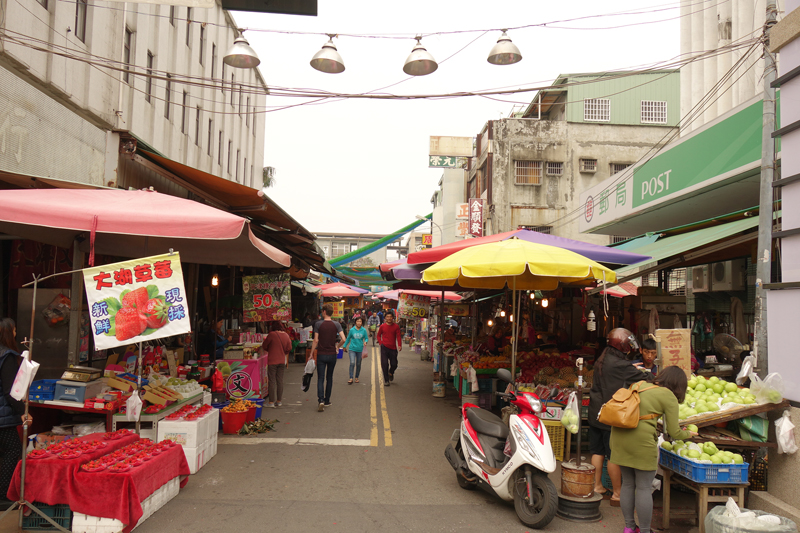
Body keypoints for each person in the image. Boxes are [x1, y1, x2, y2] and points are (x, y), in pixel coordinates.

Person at [611, 367, 693, 533]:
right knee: (643, 487)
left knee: (627, 483)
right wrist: (689, 434)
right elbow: (673, 432)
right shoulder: (668, 395)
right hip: (640, 442)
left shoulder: (640, 385)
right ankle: (646, 530)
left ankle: (629, 528)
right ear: (679, 386)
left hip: (619, 437)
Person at [588, 328, 655, 505]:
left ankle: (597, 486)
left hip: (596, 411)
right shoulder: (621, 365)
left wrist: (629, 367)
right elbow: (645, 378)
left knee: (597, 451)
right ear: (623, 346)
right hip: (612, 414)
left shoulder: (602, 358)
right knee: (613, 455)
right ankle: (617, 494)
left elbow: (617, 373)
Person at [0, 319, 31, 511]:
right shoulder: (7, 356)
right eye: (14, 331)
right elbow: (9, 391)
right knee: (12, 451)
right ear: (10, 332)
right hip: (3, 416)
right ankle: (4, 494)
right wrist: (21, 412)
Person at [310, 305, 345, 412]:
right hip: (332, 355)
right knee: (329, 377)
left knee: (320, 378)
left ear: (324, 312)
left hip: (321, 354)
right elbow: (343, 339)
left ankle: (320, 400)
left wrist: (311, 353)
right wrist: (337, 347)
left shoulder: (318, 324)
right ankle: (327, 400)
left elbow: (315, 340)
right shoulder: (337, 324)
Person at [261, 322, 292, 408]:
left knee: (272, 381)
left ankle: (271, 402)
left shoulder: (272, 334)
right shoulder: (286, 335)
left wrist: (270, 349)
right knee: (280, 381)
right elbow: (289, 348)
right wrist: (283, 353)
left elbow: (264, 346)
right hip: (282, 361)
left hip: (272, 361)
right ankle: (279, 401)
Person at [376, 311, 402, 386]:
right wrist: (381, 343)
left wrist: (399, 345)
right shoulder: (382, 326)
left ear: (393, 318)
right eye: (387, 317)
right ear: (385, 318)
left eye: (390, 317)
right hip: (384, 347)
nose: (389, 318)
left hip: (393, 348)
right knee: (384, 364)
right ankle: (386, 380)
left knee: (394, 364)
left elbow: (398, 336)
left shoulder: (396, 326)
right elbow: (378, 335)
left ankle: (391, 372)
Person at [343, 317, 369, 384]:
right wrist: (344, 346)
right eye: (358, 321)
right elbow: (348, 339)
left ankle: (356, 377)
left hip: (360, 350)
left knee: (358, 364)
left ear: (362, 323)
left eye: (360, 321)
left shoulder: (363, 330)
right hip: (352, 349)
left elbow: (366, 338)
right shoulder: (352, 330)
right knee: (352, 363)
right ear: (355, 322)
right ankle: (351, 377)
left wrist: (366, 341)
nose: (359, 323)